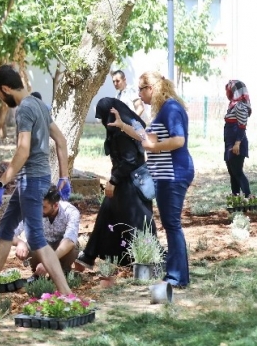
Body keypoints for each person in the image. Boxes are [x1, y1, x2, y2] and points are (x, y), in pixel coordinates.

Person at [0, 65, 73, 297]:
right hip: (36, 178)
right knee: (6, 227)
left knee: (35, 237)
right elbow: (62, 141)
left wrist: (1, 183)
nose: (0, 98)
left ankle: (66, 292)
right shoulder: (40, 106)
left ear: (5, 88)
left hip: (32, 182)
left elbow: (23, 150)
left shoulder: (24, 109)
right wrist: (64, 176)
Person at [114, 71, 193, 288]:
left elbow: (178, 140)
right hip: (166, 174)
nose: (139, 94)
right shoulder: (163, 111)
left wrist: (154, 147)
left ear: (152, 88)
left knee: (172, 224)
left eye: (141, 89)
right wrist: (123, 125)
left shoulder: (171, 108)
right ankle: (176, 273)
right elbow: (145, 138)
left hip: (173, 174)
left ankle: (177, 277)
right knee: (171, 224)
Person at [75, 97, 156, 269]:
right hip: (125, 181)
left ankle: (148, 261)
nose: (103, 121)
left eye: (103, 117)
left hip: (131, 183)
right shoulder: (122, 125)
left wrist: (113, 180)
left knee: (138, 224)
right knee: (107, 215)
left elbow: (130, 159)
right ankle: (89, 256)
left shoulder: (121, 131)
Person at [14, 186, 80, 277]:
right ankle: (38, 274)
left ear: (56, 205)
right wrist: (19, 242)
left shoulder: (71, 212)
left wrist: (50, 261)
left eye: (43, 207)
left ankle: (63, 272)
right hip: (42, 248)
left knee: (73, 246)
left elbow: (70, 240)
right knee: (31, 244)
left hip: (60, 250)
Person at [224, 80, 252, 198]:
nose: (227, 93)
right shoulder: (234, 104)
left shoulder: (240, 105)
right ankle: (235, 198)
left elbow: (242, 126)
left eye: (229, 90)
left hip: (236, 143)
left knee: (237, 172)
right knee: (232, 172)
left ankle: (248, 196)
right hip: (230, 142)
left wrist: (237, 143)